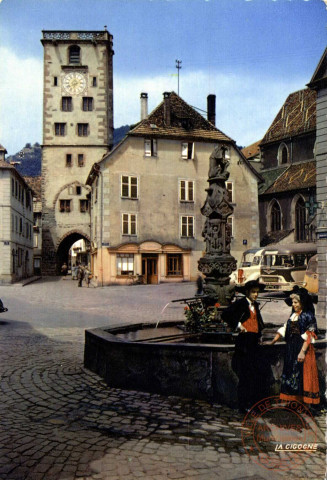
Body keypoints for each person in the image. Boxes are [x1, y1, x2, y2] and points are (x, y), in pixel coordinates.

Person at [267, 287, 320, 408]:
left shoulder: (308, 316)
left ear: (302, 303)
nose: (293, 305)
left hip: (303, 347)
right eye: (293, 302)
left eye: (296, 302)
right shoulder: (293, 316)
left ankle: (307, 403)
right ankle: (295, 400)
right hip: (291, 347)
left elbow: (310, 334)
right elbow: (284, 328)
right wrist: (273, 341)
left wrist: (302, 352)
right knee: (292, 373)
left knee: (302, 373)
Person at [222, 279, 266, 413]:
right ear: (247, 292)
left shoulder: (255, 305)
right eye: (253, 292)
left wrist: (260, 333)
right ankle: (244, 405)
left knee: (255, 374)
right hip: (244, 342)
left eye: (257, 292)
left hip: (254, 342)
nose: (256, 295)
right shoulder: (241, 303)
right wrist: (238, 325)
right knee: (245, 374)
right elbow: (225, 314)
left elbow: (258, 321)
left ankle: (253, 403)